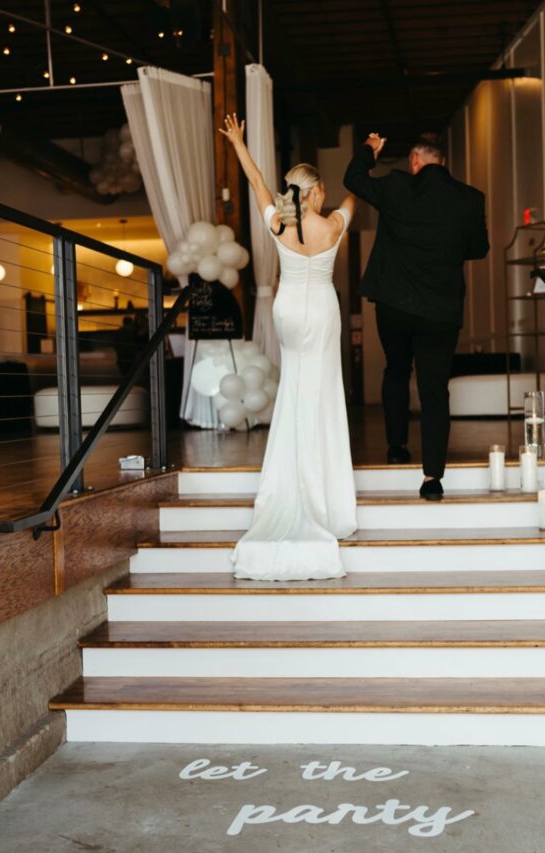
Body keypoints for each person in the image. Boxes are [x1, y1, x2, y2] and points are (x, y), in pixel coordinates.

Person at [219, 113, 357, 580]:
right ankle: (324, 492)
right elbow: (356, 196)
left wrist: (239, 142)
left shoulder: (278, 224)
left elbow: (256, 180)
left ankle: (287, 479)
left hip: (287, 316)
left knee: (296, 386)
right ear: (317, 192)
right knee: (321, 392)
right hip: (320, 310)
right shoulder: (334, 226)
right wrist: (367, 160)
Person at [344, 131, 490, 501]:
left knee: (396, 369)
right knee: (434, 391)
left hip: (394, 304)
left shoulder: (396, 188)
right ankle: (432, 478)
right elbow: (479, 249)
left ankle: (396, 446)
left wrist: (369, 151)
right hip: (441, 310)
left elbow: (353, 180)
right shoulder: (470, 199)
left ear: (414, 161)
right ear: (442, 162)